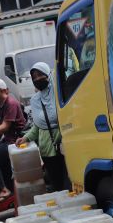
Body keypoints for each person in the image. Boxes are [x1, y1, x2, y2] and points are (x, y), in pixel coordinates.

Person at [16, 62, 70, 191]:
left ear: (48, 74)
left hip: (65, 144)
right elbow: (38, 125)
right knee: (57, 185)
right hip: (47, 148)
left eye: (40, 75)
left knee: (71, 181)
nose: (37, 79)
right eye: (34, 77)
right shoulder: (35, 100)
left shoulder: (61, 94)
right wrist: (26, 138)